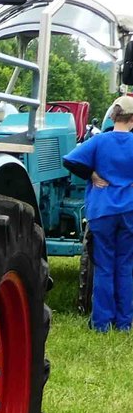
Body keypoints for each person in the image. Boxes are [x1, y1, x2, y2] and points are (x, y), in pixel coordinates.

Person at [64, 93, 133, 331]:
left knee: (103, 266)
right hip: (129, 210)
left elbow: (70, 160)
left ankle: (102, 323)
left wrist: (91, 175)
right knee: (125, 266)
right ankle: (124, 323)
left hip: (102, 211)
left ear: (113, 116)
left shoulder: (98, 141)